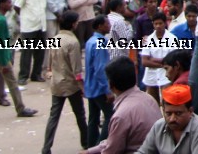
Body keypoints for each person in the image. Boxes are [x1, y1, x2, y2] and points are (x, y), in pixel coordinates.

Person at [82, 57, 161, 154]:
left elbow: (111, 150)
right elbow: (114, 141)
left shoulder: (121, 115)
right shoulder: (149, 99)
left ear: (110, 85)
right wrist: (90, 151)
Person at [41, 10, 85, 154]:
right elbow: (76, 70)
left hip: (56, 83)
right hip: (71, 84)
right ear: (73, 24)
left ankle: (46, 147)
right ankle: (86, 142)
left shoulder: (55, 38)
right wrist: (82, 87)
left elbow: (50, 63)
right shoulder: (73, 42)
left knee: (54, 116)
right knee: (80, 115)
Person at [138, 84, 198, 154]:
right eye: (168, 113)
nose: (172, 119)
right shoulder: (158, 127)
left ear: (190, 111)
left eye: (178, 113)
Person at [84, 15, 114, 147]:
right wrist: (107, 90)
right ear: (100, 26)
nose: (109, 26)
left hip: (91, 86)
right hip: (99, 87)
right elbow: (100, 69)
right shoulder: (100, 43)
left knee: (93, 118)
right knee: (110, 116)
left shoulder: (91, 41)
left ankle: (91, 145)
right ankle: (99, 145)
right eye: (107, 24)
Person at [14, 0, 48, 84]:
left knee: (40, 53)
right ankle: (23, 76)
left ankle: (36, 74)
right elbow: (17, 7)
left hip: (41, 25)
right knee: (26, 53)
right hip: (29, 26)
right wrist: (25, 18)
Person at [140, 12, 178, 104]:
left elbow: (172, 61)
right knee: (153, 104)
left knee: (167, 101)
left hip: (166, 75)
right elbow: (144, 62)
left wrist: (153, 60)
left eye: (160, 23)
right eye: (156, 24)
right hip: (151, 76)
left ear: (165, 23)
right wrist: (163, 63)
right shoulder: (148, 39)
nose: (158, 26)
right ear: (153, 24)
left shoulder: (173, 39)